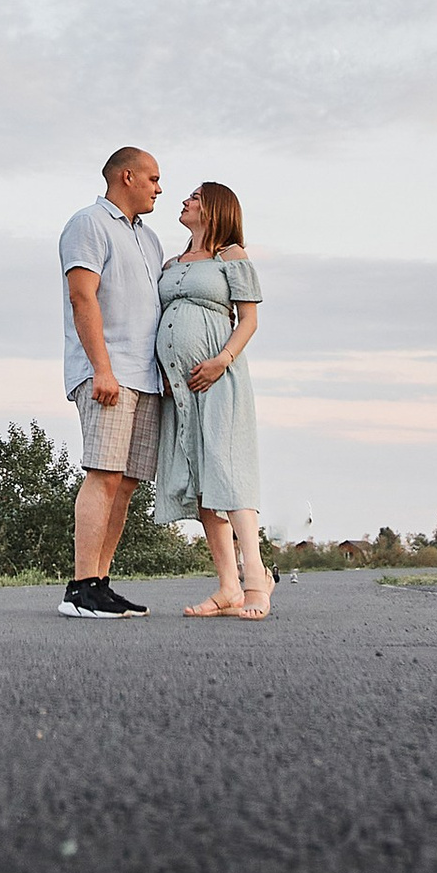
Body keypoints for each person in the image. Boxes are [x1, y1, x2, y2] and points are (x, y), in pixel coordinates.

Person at [150, 180, 269, 618]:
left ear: (215, 208)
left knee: (228, 469)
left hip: (220, 378)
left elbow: (249, 319)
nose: (184, 201)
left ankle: (256, 580)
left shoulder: (231, 257)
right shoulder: (170, 262)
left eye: (195, 197)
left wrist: (222, 360)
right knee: (201, 479)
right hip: (178, 387)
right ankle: (227, 587)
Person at [56, 146, 165, 621]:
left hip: (145, 379)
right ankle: (80, 588)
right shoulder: (88, 224)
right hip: (109, 372)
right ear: (127, 177)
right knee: (102, 474)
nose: (159, 188)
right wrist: (102, 368)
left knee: (125, 483)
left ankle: (100, 582)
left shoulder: (151, 240)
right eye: (153, 178)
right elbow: (83, 297)